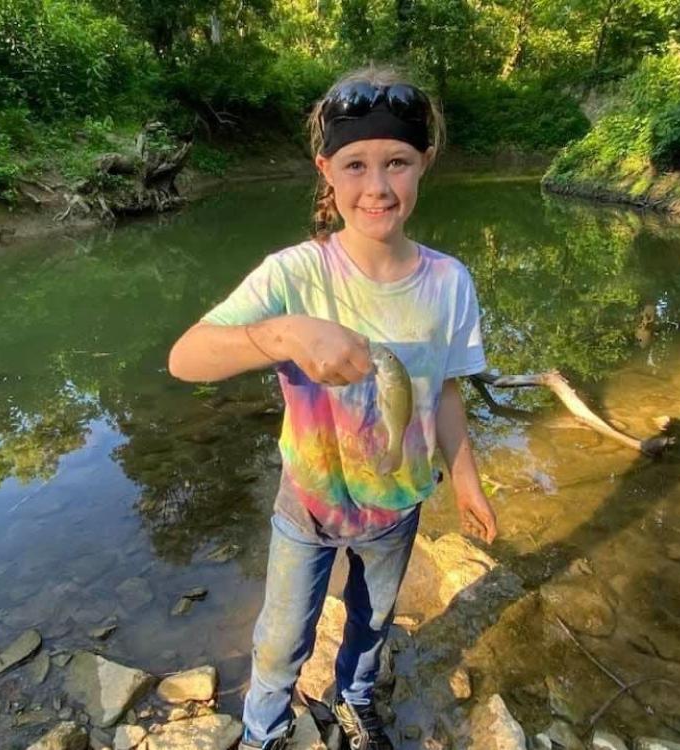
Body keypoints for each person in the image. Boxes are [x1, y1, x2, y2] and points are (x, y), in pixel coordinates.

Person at [168, 63, 498, 750]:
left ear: (425, 164)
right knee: (283, 634)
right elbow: (186, 357)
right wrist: (281, 333)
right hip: (308, 502)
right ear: (326, 169)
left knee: (372, 621)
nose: (377, 186)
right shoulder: (296, 274)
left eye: (397, 163)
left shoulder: (450, 282)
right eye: (355, 165)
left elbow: (446, 393)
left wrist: (465, 482)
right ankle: (264, 728)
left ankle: (354, 696)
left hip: (399, 503)